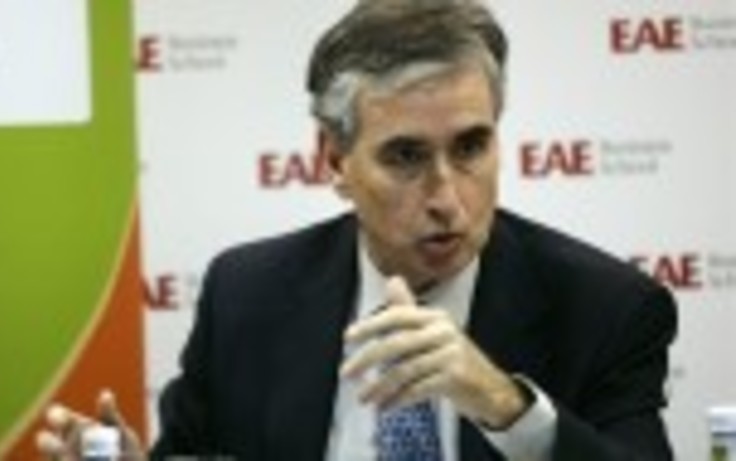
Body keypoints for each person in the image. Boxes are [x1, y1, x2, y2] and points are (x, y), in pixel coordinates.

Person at [38, 0, 678, 459]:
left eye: (470, 147)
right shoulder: (247, 294)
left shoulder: (606, 308)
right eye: (405, 156)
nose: (446, 197)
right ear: (334, 160)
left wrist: (505, 406)